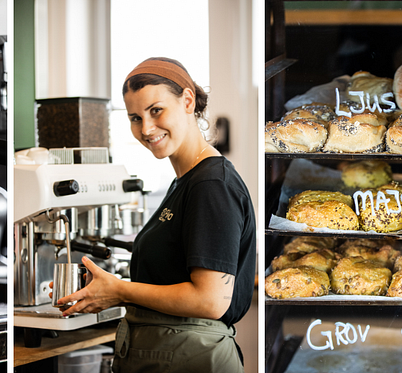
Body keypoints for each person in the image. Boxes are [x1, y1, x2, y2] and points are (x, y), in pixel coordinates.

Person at [53, 57, 256, 373]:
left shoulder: (212, 184)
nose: (146, 128)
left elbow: (211, 300)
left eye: (156, 111)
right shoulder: (186, 180)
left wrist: (118, 290)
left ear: (187, 101)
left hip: (191, 357)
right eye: (135, 117)